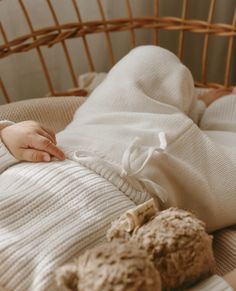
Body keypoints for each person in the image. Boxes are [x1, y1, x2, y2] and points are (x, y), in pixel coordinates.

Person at [0, 46, 235, 291]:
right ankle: (220, 108)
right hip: (166, 193)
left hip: (89, 138)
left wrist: (7, 136)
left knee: (152, 59)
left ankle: (195, 109)